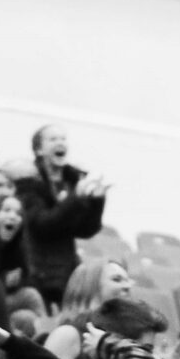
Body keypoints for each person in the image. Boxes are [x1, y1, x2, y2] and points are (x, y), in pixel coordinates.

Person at [13, 125, 110, 296]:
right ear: (39, 150)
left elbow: (86, 230)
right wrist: (75, 198)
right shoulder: (29, 181)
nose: (60, 143)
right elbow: (42, 225)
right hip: (37, 268)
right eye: (53, 139)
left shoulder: (73, 180)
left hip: (66, 267)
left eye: (63, 139)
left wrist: (97, 201)